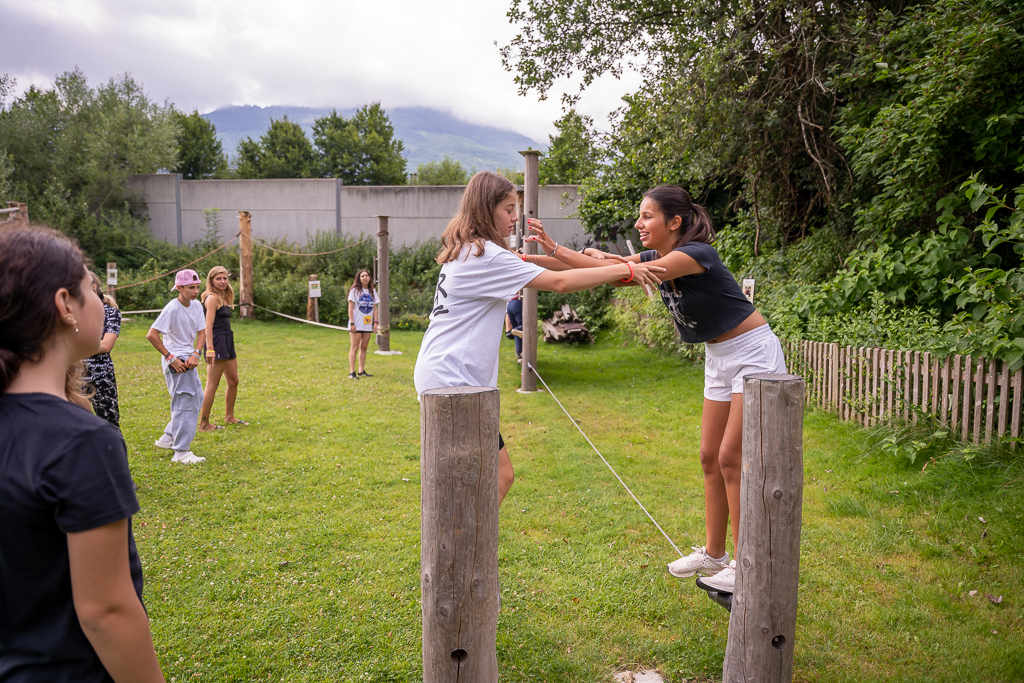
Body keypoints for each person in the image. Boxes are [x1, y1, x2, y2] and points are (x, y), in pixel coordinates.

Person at [526, 184, 787, 593]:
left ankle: (744, 564)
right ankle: (714, 554)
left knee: (730, 458)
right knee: (709, 457)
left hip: (752, 352)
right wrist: (531, 258)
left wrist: (586, 257)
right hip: (718, 357)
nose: (639, 223)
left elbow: (616, 269)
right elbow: (606, 271)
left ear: (674, 222)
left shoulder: (695, 254)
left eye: (647, 216)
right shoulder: (656, 258)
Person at [413, 171, 665, 506]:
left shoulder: (470, 250)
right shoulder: (486, 256)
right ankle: (461, 540)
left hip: (447, 375)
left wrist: (569, 253)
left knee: (487, 478)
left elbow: (547, 268)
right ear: (486, 209)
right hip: (451, 380)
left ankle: (465, 538)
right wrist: (627, 270)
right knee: (486, 479)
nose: (515, 218)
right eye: (508, 209)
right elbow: (560, 283)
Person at [0, 226, 165, 682]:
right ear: (65, 305)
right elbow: (106, 611)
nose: (101, 302)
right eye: (91, 290)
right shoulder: (82, 441)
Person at [146, 269, 207, 465]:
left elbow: (202, 332)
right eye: (191, 288)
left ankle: (169, 436)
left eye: (197, 287)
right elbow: (152, 335)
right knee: (185, 403)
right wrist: (170, 357)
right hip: (177, 361)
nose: (195, 291)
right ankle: (181, 452)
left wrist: (196, 354)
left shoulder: (196, 305)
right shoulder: (172, 308)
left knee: (198, 397)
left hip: (189, 357)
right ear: (179, 288)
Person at [198, 265, 247, 431]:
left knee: (233, 381)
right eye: (218, 279)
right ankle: (204, 423)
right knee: (212, 384)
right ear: (211, 281)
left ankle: (229, 417)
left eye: (225, 278)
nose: (223, 281)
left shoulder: (223, 297)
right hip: (217, 342)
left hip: (227, 340)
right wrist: (210, 348)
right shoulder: (212, 298)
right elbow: (208, 325)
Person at [83, 271, 122, 429]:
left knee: (110, 425)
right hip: (75, 376)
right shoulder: (74, 313)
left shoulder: (111, 313)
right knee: (76, 424)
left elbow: (106, 345)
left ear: (94, 287)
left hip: (102, 375)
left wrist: (74, 346)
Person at [347, 269, 380, 379]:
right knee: (354, 347)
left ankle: (361, 370)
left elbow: (375, 308)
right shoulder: (354, 291)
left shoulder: (372, 291)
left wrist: (375, 322)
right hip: (356, 323)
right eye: (363, 276)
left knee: (364, 346)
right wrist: (352, 323)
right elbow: (350, 308)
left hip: (367, 324)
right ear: (359, 278)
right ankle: (352, 372)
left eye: (367, 275)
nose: (365, 277)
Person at [504, 292, 523, 362]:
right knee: (524, 325)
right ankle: (516, 329)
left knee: (517, 333)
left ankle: (520, 354)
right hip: (516, 302)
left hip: (509, 305)